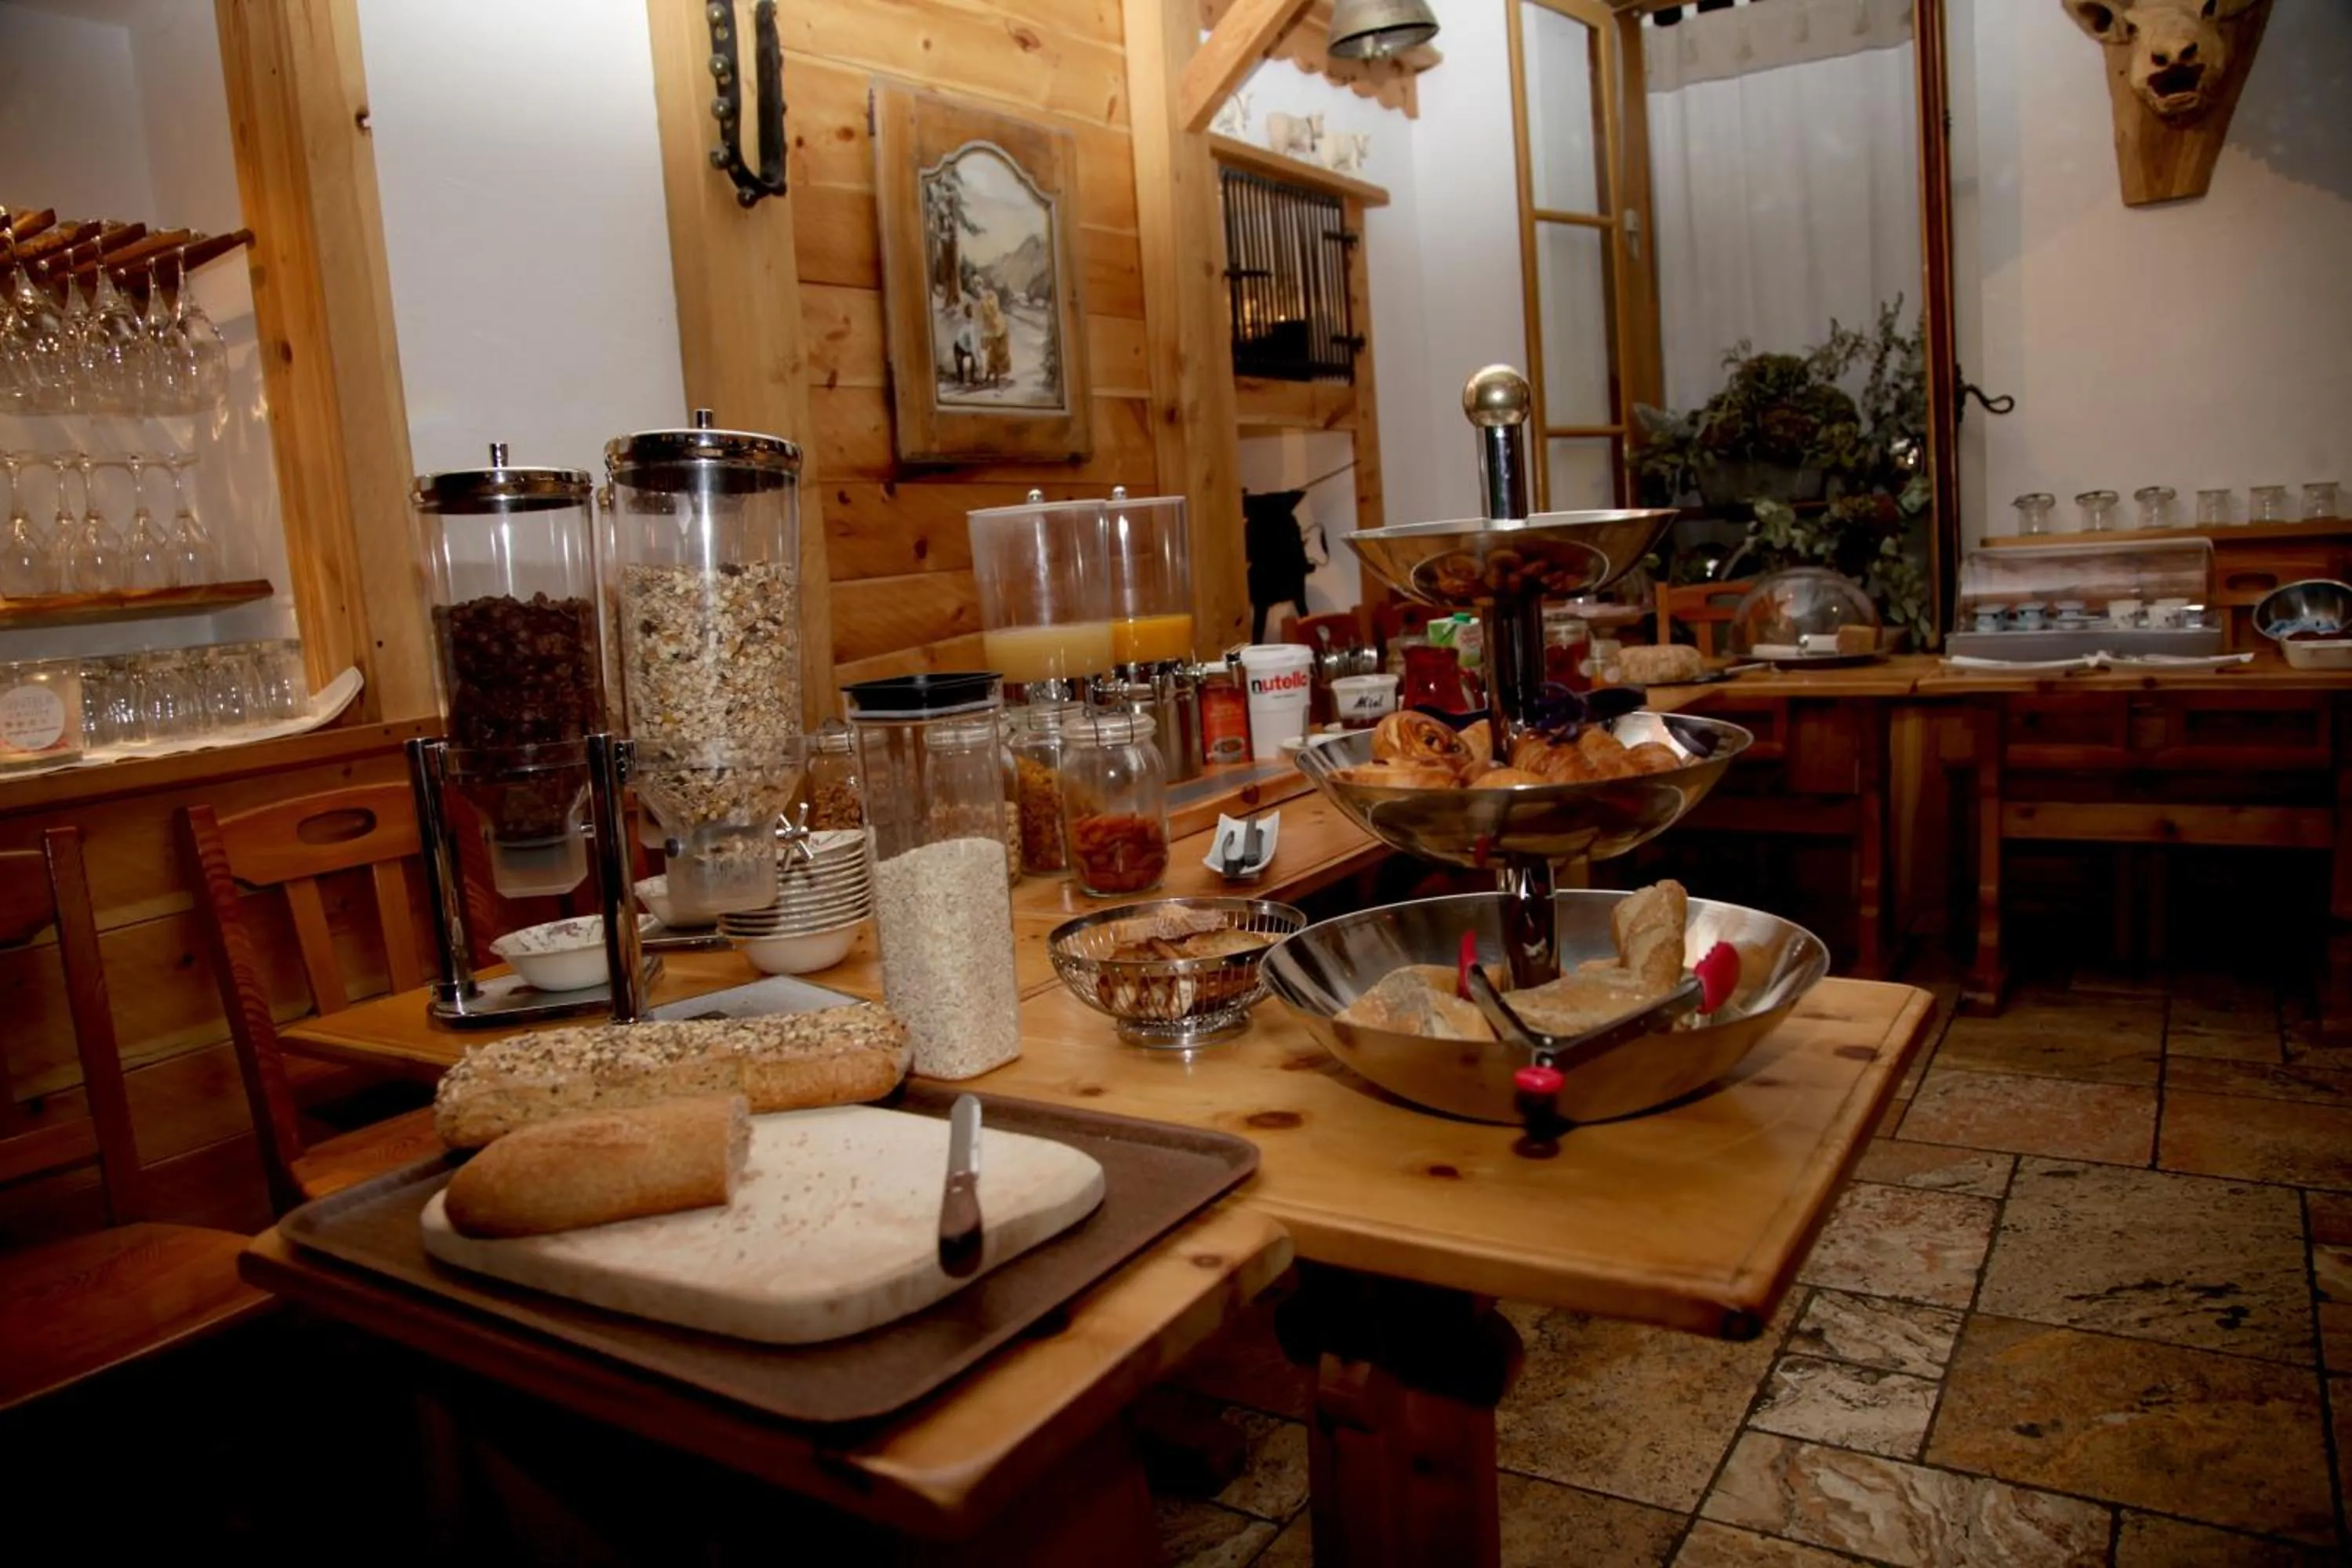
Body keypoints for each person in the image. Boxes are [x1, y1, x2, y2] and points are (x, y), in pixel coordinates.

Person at [979, 289, 1011, 387]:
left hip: (1000, 338)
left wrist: (989, 339)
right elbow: (988, 328)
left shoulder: (997, 317)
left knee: (997, 358)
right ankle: (989, 377)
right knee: (992, 358)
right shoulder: (989, 315)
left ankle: (996, 379)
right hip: (995, 337)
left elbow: (997, 330)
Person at [949, 300, 978, 385]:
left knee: (965, 363)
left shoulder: (968, 323)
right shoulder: (969, 326)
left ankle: (968, 379)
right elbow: (970, 342)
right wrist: (973, 353)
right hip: (959, 347)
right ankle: (969, 379)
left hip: (960, 346)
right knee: (962, 364)